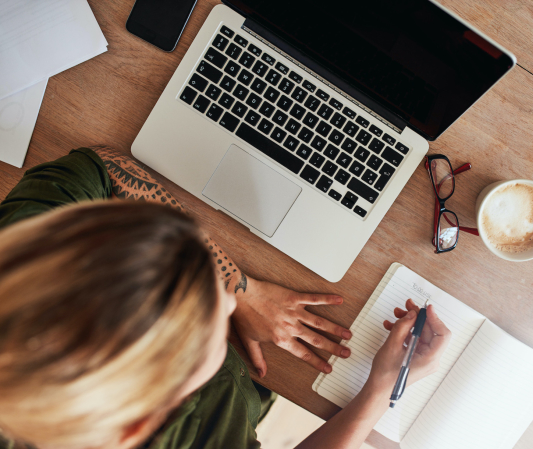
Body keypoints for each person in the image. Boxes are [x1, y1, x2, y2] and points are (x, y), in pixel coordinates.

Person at [0, 147, 452, 449]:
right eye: (213, 328)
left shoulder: (21, 259)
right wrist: (381, 392)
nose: (233, 303)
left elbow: (99, 165)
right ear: (145, 425)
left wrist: (241, 285)